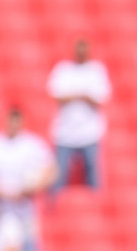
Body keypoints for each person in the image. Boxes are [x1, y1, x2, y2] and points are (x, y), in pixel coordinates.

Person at [0, 107, 55, 251]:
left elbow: (51, 171)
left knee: (28, 247)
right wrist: (7, 193)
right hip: (0, 208)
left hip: (25, 207)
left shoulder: (32, 144)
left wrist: (33, 188)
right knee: (3, 247)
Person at [46, 38, 111, 192]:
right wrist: (83, 95)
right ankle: (53, 208)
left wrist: (76, 95)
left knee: (92, 172)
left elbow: (100, 98)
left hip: (90, 132)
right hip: (65, 132)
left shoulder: (97, 70)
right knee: (58, 174)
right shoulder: (63, 69)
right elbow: (57, 94)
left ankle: (98, 208)